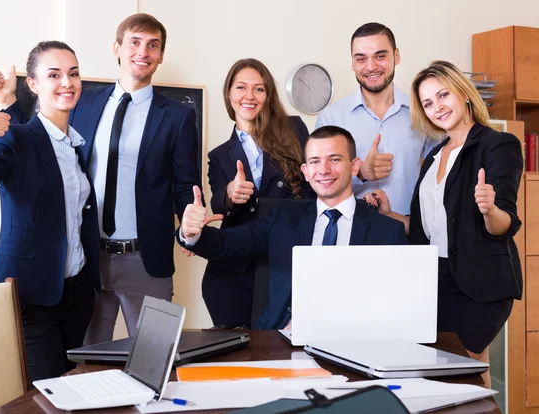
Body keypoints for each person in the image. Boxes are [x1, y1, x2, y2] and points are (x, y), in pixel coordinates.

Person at [0, 13, 202, 345]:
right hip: (86, 260)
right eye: (134, 42)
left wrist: (189, 228)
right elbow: (38, 138)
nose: (143, 52)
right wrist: (8, 104)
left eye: (153, 45)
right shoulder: (81, 100)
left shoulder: (178, 116)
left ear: (160, 56)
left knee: (156, 356)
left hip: (146, 261)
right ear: (117, 48)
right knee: (85, 361)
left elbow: (185, 186)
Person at [0, 41, 100, 382]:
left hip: (77, 296)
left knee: (74, 393)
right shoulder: (16, 139)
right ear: (33, 84)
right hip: (31, 297)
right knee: (42, 399)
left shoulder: (77, 144)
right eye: (54, 74)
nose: (67, 83)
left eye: (73, 74)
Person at [365, 60, 523, 371]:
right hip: (435, 281)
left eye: (443, 95)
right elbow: (428, 230)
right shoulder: (435, 155)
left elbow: (504, 225)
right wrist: (390, 214)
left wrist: (490, 209)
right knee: (471, 373)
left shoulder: (497, 144)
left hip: (479, 285)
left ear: (463, 94)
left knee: (457, 371)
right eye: (427, 103)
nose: (436, 107)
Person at [178, 126, 408, 329]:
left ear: (354, 166)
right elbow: (227, 244)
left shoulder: (387, 231)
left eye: (335, 159)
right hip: (282, 341)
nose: (324, 170)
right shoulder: (282, 217)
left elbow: (396, 308)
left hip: (353, 346)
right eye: (315, 162)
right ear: (306, 172)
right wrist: (191, 233)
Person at [204, 58, 314, 328]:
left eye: (259, 89)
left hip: (284, 265)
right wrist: (230, 193)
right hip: (232, 274)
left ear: (268, 95)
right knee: (237, 358)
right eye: (241, 88)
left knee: (283, 357)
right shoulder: (219, 155)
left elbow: (314, 183)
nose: (249, 96)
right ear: (229, 94)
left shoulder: (294, 130)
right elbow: (218, 201)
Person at [316, 22, 430, 215]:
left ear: (396, 56)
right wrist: (360, 174)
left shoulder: (425, 112)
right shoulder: (332, 118)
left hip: (411, 234)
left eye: (380, 56)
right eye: (361, 59)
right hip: (352, 235)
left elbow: (440, 178)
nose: (371, 67)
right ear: (352, 63)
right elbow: (318, 184)